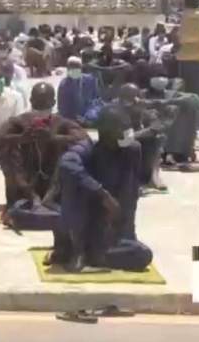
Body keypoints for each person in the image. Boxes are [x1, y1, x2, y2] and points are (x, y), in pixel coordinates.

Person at [49, 106, 153, 273]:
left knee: (144, 255)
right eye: (121, 130)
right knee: (75, 184)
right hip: (86, 224)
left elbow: (129, 197)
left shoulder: (130, 151)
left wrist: (125, 231)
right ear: (106, 131)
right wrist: (102, 194)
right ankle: (79, 251)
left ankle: (96, 256)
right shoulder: (88, 149)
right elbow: (67, 164)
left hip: (112, 232)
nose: (126, 134)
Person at [0, 83, 89, 208]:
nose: (41, 109)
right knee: (6, 149)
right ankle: (31, 197)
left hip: (53, 183)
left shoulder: (61, 123)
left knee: (73, 151)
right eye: (38, 104)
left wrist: (54, 138)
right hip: (24, 184)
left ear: (53, 103)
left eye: (45, 104)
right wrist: (20, 138)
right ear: (31, 102)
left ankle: (49, 198)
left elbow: (86, 139)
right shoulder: (19, 122)